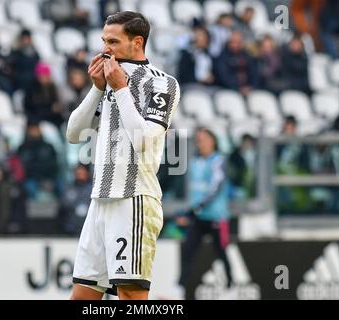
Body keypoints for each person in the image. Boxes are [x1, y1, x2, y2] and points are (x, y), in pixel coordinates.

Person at [66, 11, 180, 300]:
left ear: (137, 42)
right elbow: (73, 134)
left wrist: (120, 89)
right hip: (100, 201)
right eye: (104, 40)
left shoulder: (161, 83)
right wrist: (96, 90)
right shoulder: (108, 78)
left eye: (114, 41)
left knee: (130, 297)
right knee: (82, 296)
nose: (106, 49)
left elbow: (144, 140)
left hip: (133, 200)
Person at [174, 128, 232, 299]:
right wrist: (190, 210)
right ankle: (178, 289)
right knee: (188, 251)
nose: (200, 142)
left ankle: (230, 287)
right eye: (198, 139)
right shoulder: (194, 162)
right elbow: (193, 190)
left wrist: (197, 207)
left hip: (216, 217)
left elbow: (215, 187)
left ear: (213, 141)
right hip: (199, 217)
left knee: (221, 252)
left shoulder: (218, 161)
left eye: (204, 139)